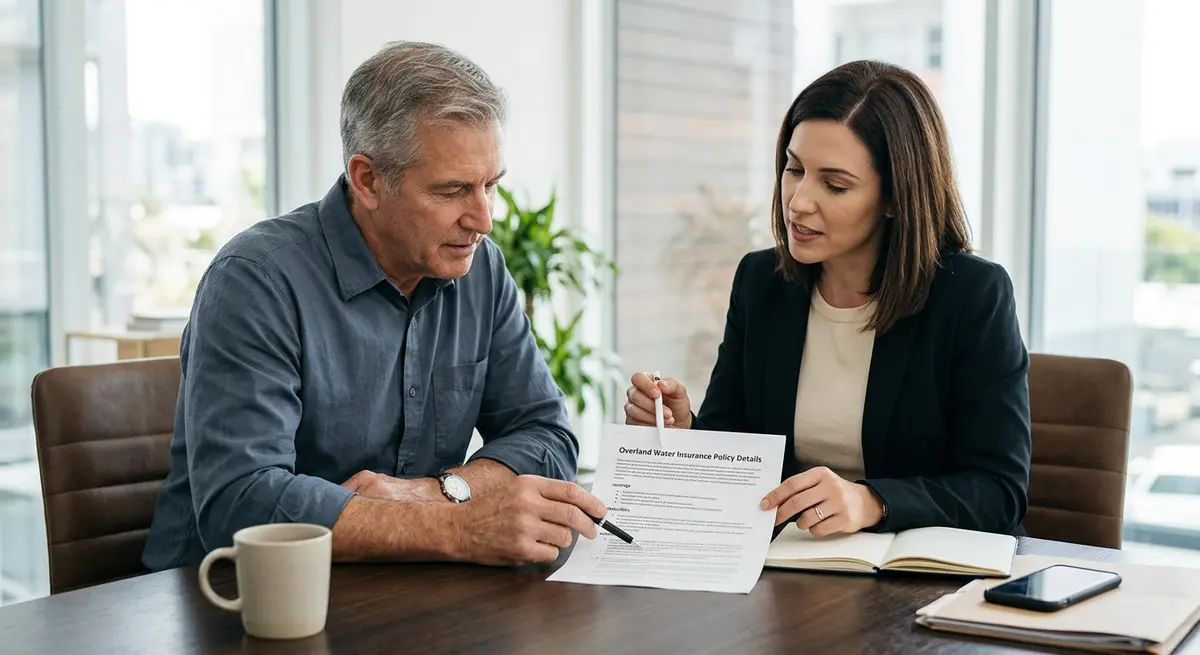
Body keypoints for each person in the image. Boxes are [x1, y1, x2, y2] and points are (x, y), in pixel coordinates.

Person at [143, 41, 607, 571]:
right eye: (453, 190)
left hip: (395, 592)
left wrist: (439, 492)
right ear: (367, 180)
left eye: (490, 186)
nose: (483, 219)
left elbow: (546, 435)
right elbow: (242, 502)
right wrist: (456, 527)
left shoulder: (481, 268)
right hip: (224, 601)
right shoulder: (256, 280)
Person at [624, 60, 1031, 538]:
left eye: (834, 184)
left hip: (919, 577)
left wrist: (872, 501)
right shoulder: (762, 281)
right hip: (791, 571)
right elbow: (738, 451)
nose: (798, 201)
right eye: (794, 169)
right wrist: (685, 432)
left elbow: (999, 490)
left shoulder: (971, 295)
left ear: (897, 196)